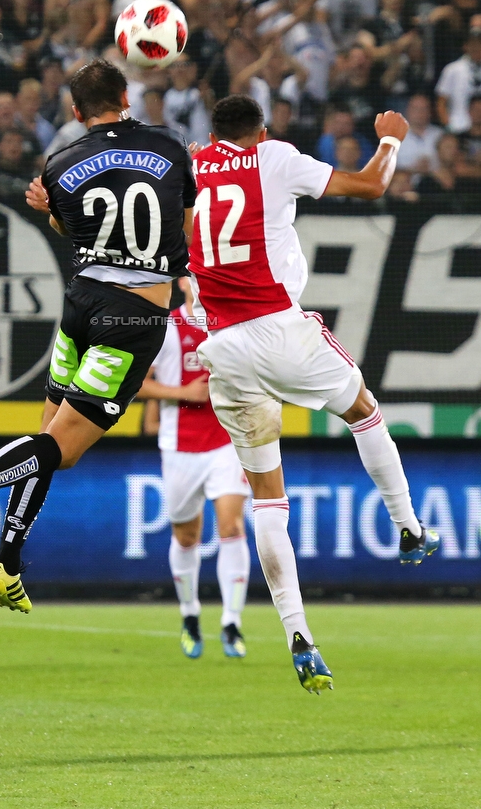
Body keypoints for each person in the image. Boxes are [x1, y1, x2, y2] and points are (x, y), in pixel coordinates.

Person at [0, 58, 197, 616]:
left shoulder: (62, 162)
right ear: (126, 97)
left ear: (75, 111)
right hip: (133, 316)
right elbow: (180, 226)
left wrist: (49, 213)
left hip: (82, 303)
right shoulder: (170, 147)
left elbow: (72, 226)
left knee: (44, 446)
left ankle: (6, 563)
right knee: (60, 451)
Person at [188, 95, 440, 693]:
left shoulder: (190, 169)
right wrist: (392, 140)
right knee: (364, 411)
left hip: (222, 346)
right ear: (261, 131)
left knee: (268, 497)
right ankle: (407, 526)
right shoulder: (272, 157)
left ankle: (298, 634)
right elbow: (372, 185)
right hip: (277, 326)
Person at [137, 277, 251, 660]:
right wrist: (182, 393)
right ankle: (190, 615)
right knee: (187, 536)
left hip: (226, 443)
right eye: (194, 276)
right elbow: (133, 381)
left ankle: (232, 623)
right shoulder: (167, 328)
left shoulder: (234, 326)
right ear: (182, 283)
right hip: (180, 447)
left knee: (232, 525)